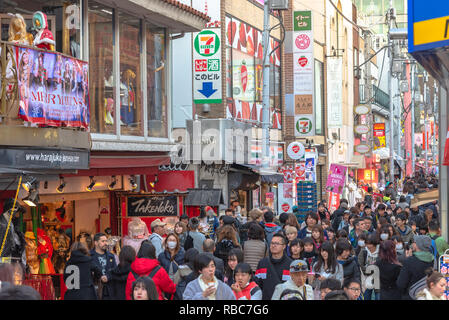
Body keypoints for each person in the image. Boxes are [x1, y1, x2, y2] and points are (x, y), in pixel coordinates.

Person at [255, 232, 292, 300]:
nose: (273, 245)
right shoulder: (262, 263)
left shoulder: (290, 264)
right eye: (272, 243)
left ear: (284, 246)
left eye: (277, 244)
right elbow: (257, 285)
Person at [396, 235, 435, 300]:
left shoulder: (409, 261)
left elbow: (401, 284)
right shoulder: (434, 260)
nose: (413, 244)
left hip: (410, 296)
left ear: (418, 245)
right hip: (427, 296)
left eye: (414, 242)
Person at [90, 232, 117, 300]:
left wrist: (108, 277)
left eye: (106, 241)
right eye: (103, 241)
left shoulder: (111, 256)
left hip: (109, 291)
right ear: (96, 243)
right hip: (95, 291)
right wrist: (99, 277)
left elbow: (115, 271)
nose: (106, 243)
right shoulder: (89, 256)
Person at [358, 234, 380, 300]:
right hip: (366, 279)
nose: (368, 246)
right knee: (366, 297)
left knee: (378, 297)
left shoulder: (381, 251)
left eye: (370, 244)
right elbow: (360, 265)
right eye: (367, 243)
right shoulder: (363, 251)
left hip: (378, 280)